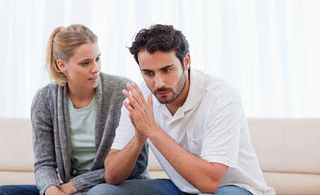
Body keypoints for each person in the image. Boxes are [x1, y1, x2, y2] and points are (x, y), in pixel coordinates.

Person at [90, 24, 275, 195]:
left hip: (231, 188)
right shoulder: (140, 98)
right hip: (181, 189)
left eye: (167, 70)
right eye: (148, 73)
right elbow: (112, 176)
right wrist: (139, 137)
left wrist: (151, 130)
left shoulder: (221, 97)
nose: (159, 83)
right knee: (102, 192)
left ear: (186, 61)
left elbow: (209, 182)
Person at [0, 24, 148, 195]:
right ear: (62, 65)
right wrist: (51, 190)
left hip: (115, 186)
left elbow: (137, 165)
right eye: (85, 63)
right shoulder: (45, 99)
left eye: (97, 58)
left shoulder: (122, 91)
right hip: (68, 189)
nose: (96, 68)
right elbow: (44, 164)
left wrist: (76, 185)